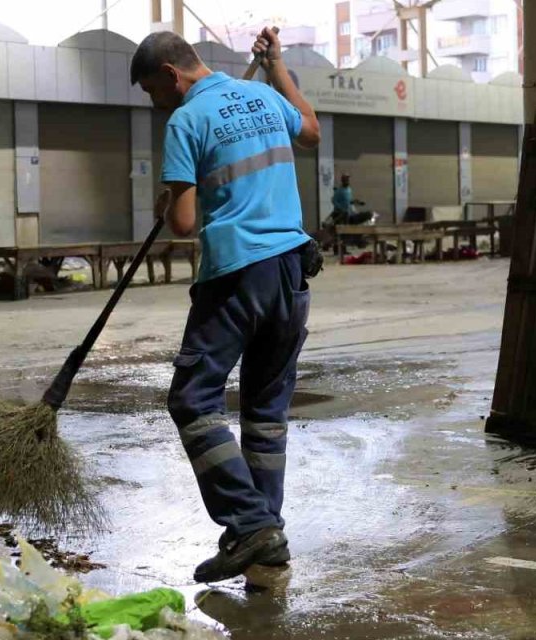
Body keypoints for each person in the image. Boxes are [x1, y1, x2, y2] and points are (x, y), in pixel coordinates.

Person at [131, 27, 321, 583]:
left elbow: (187, 222)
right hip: (290, 268)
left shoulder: (185, 121)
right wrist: (278, 67)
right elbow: (309, 130)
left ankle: (248, 521)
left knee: (192, 400)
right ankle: (265, 535)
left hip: (236, 273)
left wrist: (170, 201)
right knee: (265, 414)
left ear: (170, 74)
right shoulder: (266, 96)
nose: (153, 101)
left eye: (150, 90)